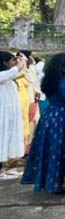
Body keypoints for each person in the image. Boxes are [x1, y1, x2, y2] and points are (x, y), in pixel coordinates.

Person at [21, 53, 65, 193]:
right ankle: (58, 183)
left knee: (50, 149)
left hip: (49, 116)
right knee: (60, 150)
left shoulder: (50, 79)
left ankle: (50, 182)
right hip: (61, 117)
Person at [0, 52, 26, 181]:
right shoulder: (3, 75)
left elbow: (19, 72)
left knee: (7, 140)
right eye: (11, 61)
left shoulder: (8, 77)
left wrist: (22, 61)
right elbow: (15, 71)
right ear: (4, 63)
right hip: (2, 116)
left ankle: (4, 169)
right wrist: (21, 62)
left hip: (9, 116)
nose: (13, 63)